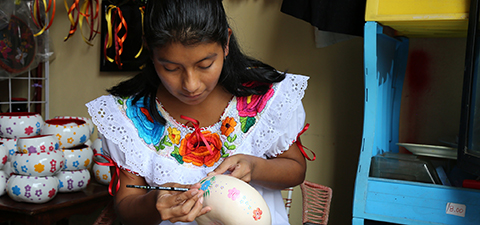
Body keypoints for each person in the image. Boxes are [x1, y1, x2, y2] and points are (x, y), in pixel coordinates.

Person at [86, 0, 310, 224]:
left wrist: (255, 167)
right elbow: (126, 207)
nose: (191, 85)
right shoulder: (130, 115)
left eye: (205, 65)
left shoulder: (263, 98)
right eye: (171, 68)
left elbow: (296, 169)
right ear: (150, 51)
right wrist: (154, 201)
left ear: (226, 43)